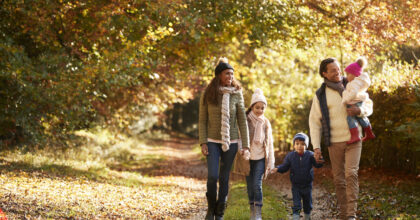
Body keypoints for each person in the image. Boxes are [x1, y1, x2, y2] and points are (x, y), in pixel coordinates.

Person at [309, 58, 373, 220]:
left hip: (354, 139)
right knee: (339, 180)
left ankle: (351, 215)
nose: (338, 72)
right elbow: (314, 122)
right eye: (333, 70)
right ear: (324, 73)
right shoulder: (320, 95)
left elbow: (368, 104)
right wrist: (316, 147)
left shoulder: (352, 84)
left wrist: (359, 111)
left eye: (338, 69)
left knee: (351, 174)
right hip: (334, 142)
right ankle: (344, 214)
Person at [199, 57, 249, 220]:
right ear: (219, 75)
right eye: (227, 74)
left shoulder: (237, 93)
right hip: (212, 141)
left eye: (232, 74)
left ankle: (220, 212)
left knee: (224, 177)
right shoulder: (208, 92)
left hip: (232, 142)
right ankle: (210, 209)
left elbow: (242, 119)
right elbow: (202, 119)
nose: (230, 77)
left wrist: (246, 145)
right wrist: (203, 141)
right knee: (213, 176)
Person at [234, 88, 275, 220]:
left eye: (262, 108)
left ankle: (258, 213)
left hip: (261, 158)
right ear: (252, 106)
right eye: (257, 107)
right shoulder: (246, 120)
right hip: (247, 158)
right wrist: (242, 150)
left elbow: (269, 144)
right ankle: (252, 209)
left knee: (257, 185)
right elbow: (240, 138)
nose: (260, 110)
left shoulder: (266, 123)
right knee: (250, 186)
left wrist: (271, 162)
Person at [270, 133, 323, 220]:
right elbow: (285, 166)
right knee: (297, 205)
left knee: (307, 204)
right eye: (297, 144)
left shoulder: (310, 155)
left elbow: (317, 164)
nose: (299, 146)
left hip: (307, 185)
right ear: (294, 145)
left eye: (302, 144)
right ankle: (296, 217)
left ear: (306, 145)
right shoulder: (290, 156)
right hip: (296, 186)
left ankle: (307, 216)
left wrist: (320, 159)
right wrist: (277, 168)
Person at [342, 57, 376, 144]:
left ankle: (355, 136)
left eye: (348, 74)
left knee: (350, 118)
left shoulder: (354, 83)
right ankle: (369, 133)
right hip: (357, 101)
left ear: (355, 74)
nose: (346, 77)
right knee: (360, 118)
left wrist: (346, 100)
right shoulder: (357, 82)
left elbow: (353, 93)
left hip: (354, 102)